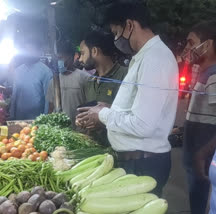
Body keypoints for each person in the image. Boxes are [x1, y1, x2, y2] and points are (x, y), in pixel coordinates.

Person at [76, 0, 178, 196]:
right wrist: (111, 110)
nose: (116, 39)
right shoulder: (143, 58)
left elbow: (142, 124)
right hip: (136, 161)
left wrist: (104, 114)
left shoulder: (154, 59)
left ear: (130, 25)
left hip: (142, 164)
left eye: (116, 32)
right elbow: (139, 110)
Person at [180, 21, 216, 214]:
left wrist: (203, 153)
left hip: (202, 159)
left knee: (201, 201)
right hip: (195, 155)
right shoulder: (204, 75)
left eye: (191, 42)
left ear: (208, 44)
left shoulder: (214, 76)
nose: (187, 48)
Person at [76, 31, 128, 146]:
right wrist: (84, 120)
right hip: (94, 150)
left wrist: (103, 119)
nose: (80, 59)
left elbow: (132, 116)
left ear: (94, 51)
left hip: (119, 150)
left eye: (83, 53)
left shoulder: (126, 76)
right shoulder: (90, 82)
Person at [46, 42, 90, 128]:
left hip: (79, 130)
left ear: (71, 57)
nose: (58, 62)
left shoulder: (84, 78)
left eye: (60, 58)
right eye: (56, 59)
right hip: (59, 130)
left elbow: (90, 106)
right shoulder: (53, 81)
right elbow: (51, 107)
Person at [10, 39, 53, 120]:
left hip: (37, 120)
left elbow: (48, 100)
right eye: (25, 50)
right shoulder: (18, 71)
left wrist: (45, 120)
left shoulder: (46, 72)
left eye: (31, 50)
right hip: (19, 118)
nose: (27, 53)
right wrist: (12, 115)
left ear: (38, 52)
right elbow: (14, 96)